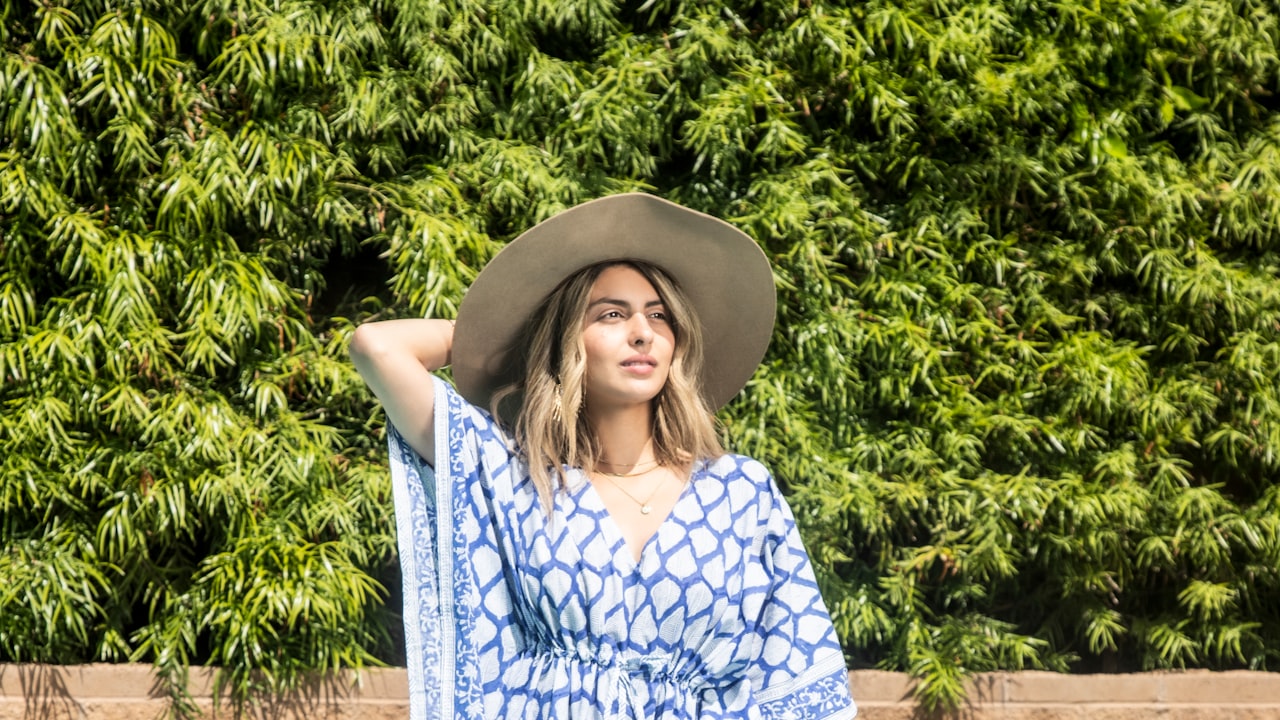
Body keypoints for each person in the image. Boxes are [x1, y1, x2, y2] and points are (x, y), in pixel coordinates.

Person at [349, 194, 857, 719]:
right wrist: (514, 343)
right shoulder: (515, 475)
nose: (642, 332)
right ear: (568, 340)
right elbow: (377, 348)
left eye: (659, 316)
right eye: (612, 314)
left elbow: (797, 674)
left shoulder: (739, 491)